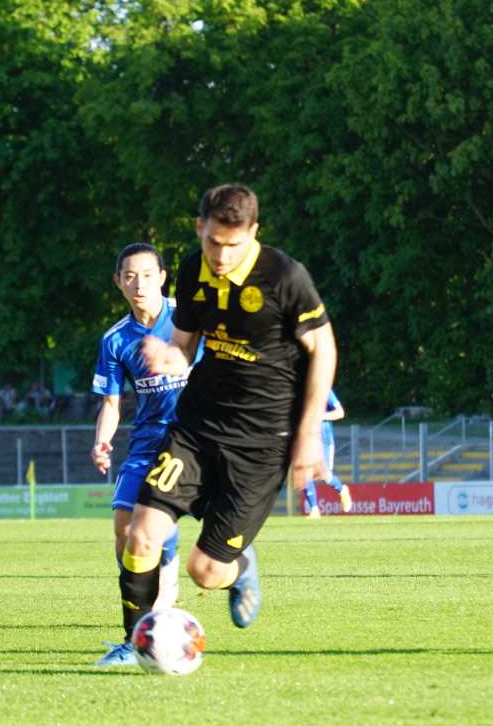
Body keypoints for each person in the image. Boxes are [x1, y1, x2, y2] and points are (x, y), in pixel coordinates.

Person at [113, 183, 337, 656]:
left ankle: (240, 568)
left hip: (261, 442)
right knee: (140, 533)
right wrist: (168, 358)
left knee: (206, 572)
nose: (221, 255)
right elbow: (184, 348)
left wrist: (309, 434)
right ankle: (135, 645)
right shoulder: (193, 272)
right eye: (213, 241)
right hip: (196, 426)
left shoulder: (285, 277)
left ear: (253, 232)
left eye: (233, 244)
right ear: (200, 229)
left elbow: (325, 350)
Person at [91, 243, 200, 666]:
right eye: (129, 276)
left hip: (196, 440)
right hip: (146, 443)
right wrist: (102, 441)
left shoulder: (190, 318)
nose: (139, 284)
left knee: (209, 558)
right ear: (118, 281)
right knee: (124, 530)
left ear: (163, 277)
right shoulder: (116, 339)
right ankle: (143, 623)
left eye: (147, 275)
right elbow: (112, 404)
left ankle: (136, 634)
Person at [302, 390, 353, 518]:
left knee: (325, 477)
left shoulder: (324, 389)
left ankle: (342, 490)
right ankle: (314, 510)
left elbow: (340, 413)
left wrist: (320, 416)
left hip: (324, 438)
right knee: (304, 471)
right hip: (306, 437)